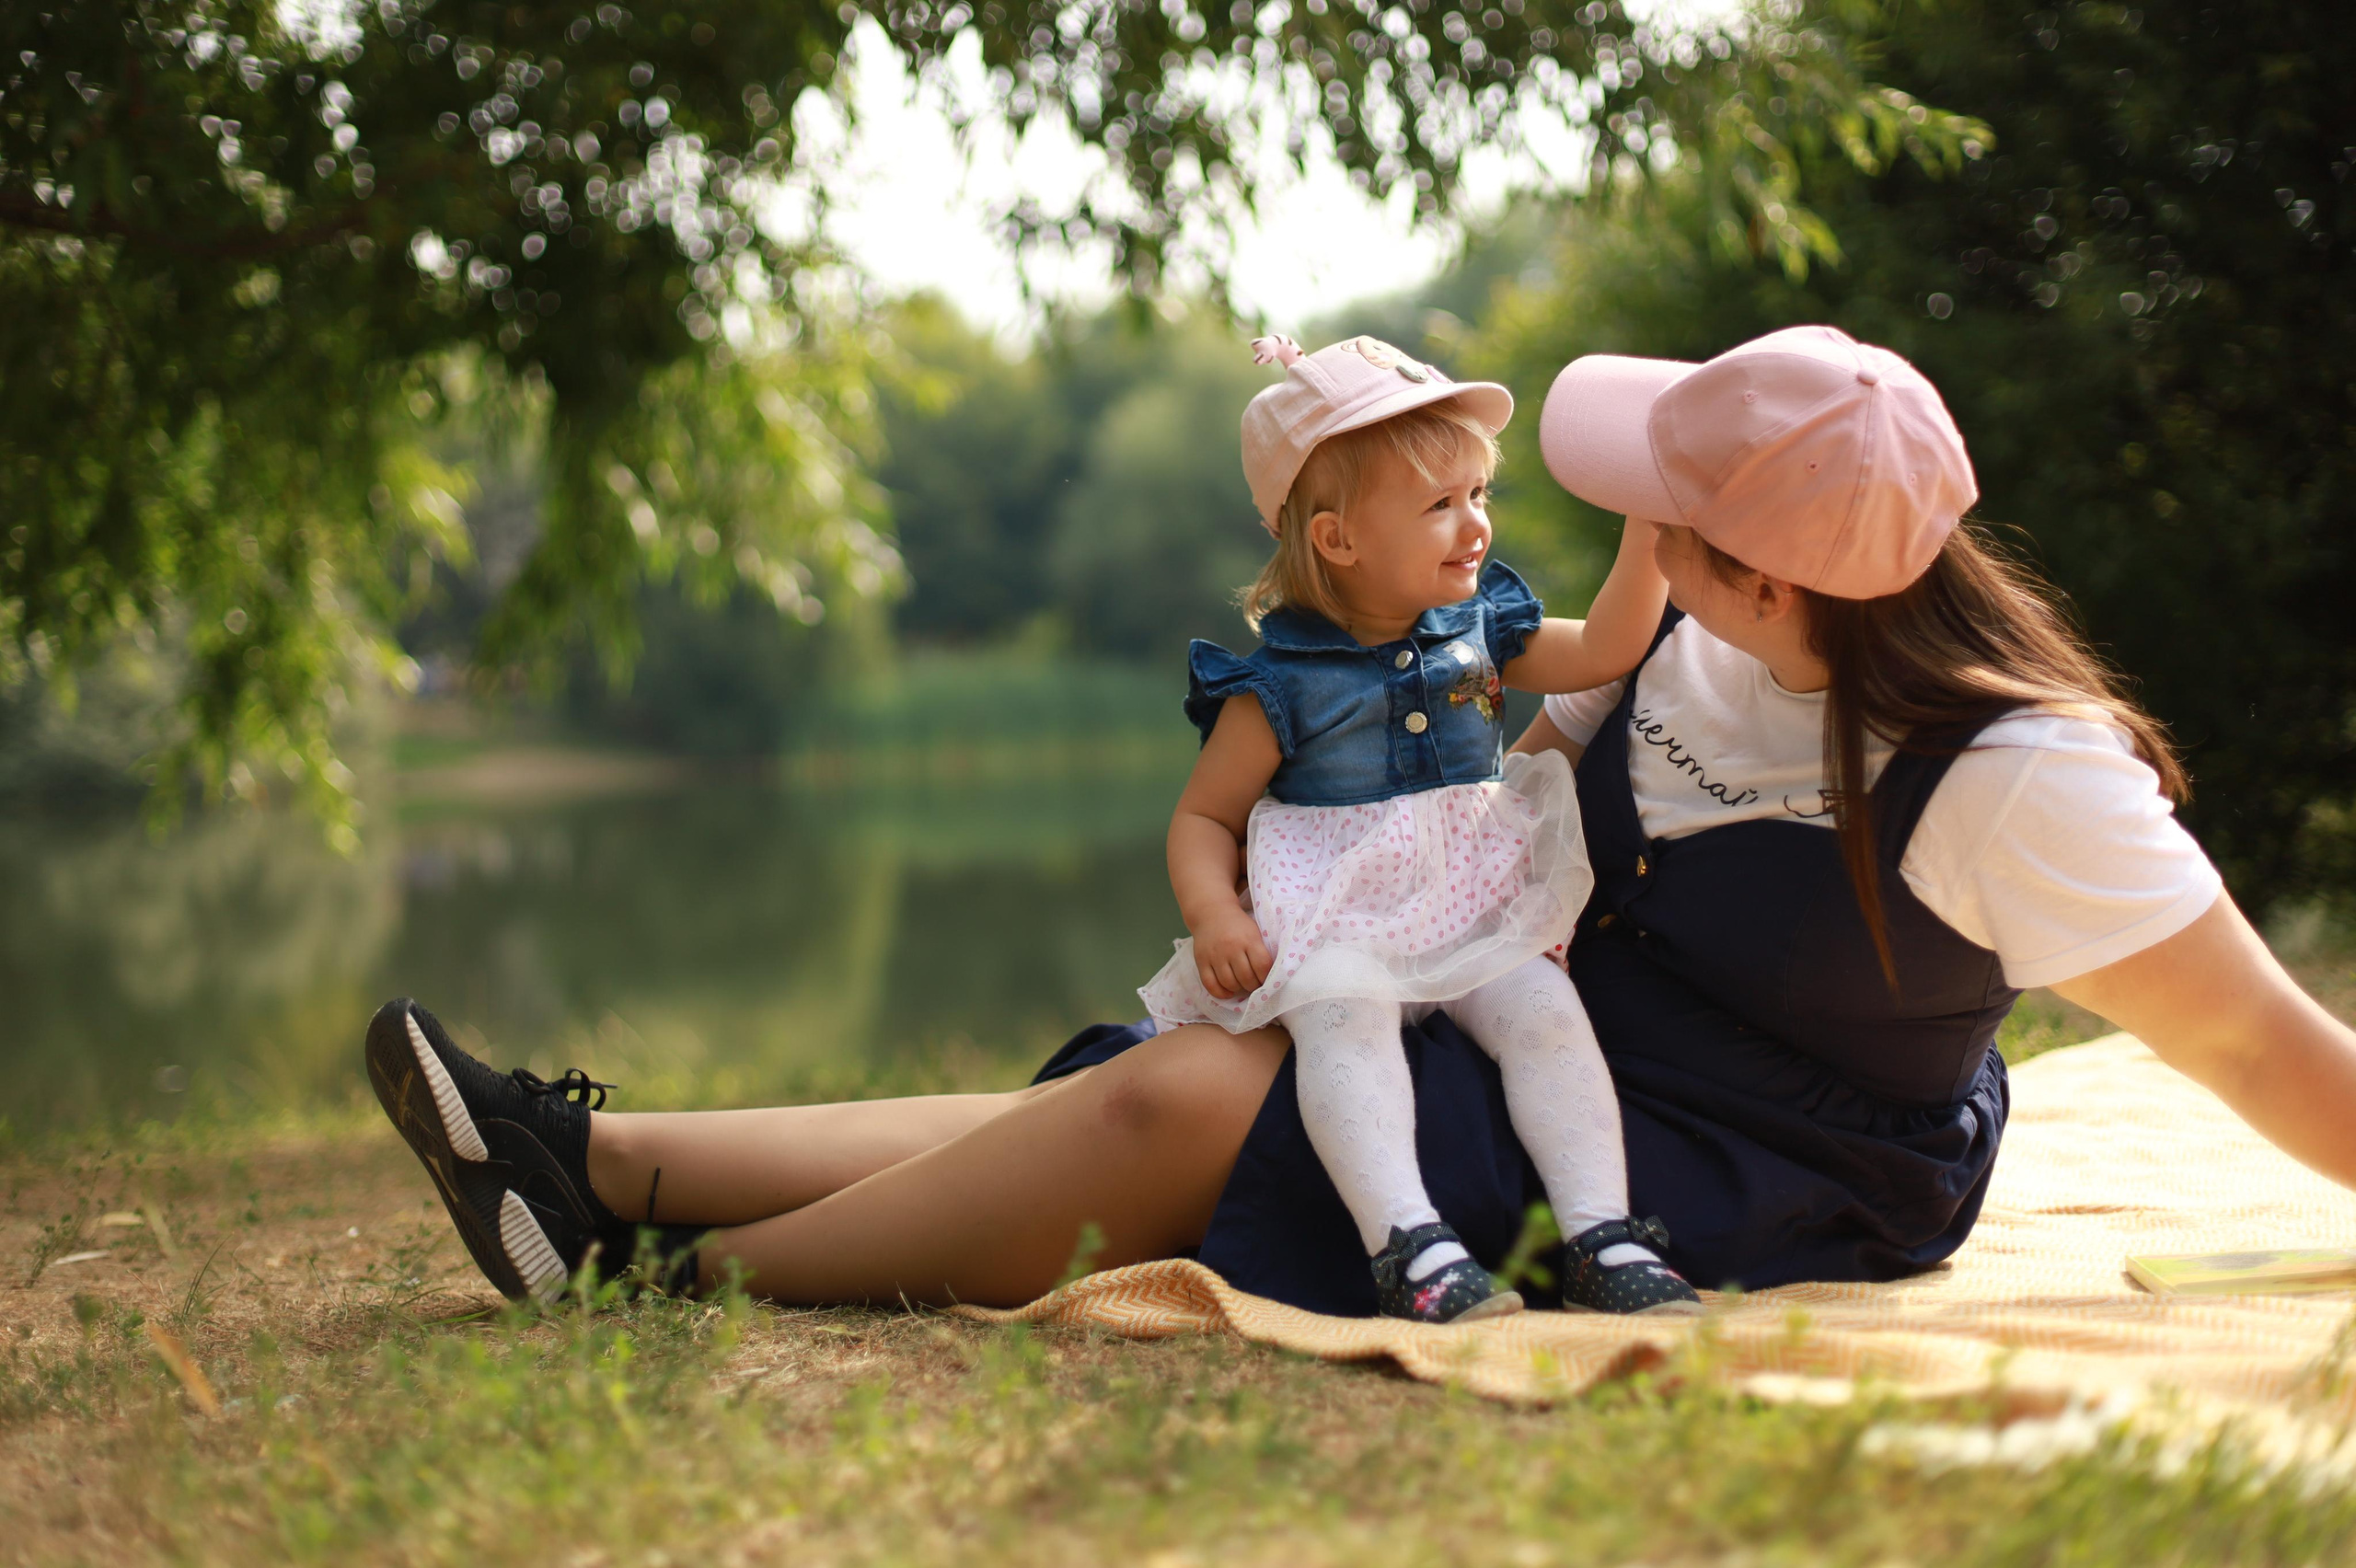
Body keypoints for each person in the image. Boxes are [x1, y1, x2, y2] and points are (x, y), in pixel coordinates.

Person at [364, 325, 2356, 1318]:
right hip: (1569, 1027)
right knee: (1191, 1059)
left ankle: (658, 1278)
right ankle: (599, 1156)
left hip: (1765, 1151)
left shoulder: (2018, 783)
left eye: (1661, 509)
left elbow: (2272, 1050)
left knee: (1195, 1102)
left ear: (1763, 571)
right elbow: (1470, 752)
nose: (1621, 524)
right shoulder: (1685, 642)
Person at [1135, 332, 1692, 1321]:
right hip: (1338, 920)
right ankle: (1408, 1243)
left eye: (1478, 494)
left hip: (1471, 906)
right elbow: (1205, 816)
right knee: (1343, 1021)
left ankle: (1602, 1235)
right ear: (1337, 540)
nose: (1474, 524)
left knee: (1545, 1016)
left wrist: (1646, 526)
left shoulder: (1481, 631)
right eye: (1439, 504)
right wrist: (1215, 913)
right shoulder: (1279, 685)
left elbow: (1610, 646)